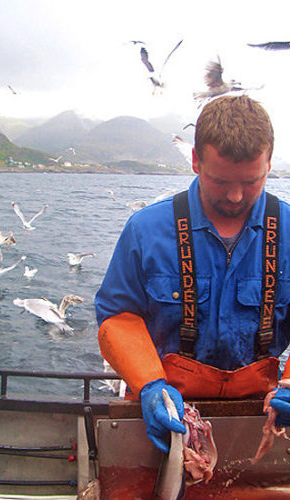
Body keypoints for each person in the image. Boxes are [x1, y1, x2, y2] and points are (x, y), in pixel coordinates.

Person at [95, 95, 290, 453]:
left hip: (263, 419)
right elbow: (118, 318)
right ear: (196, 160)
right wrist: (150, 385)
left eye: (252, 181)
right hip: (165, 416)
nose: (235, 196)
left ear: (269, 164)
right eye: (221, 181)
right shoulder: (145, 230)